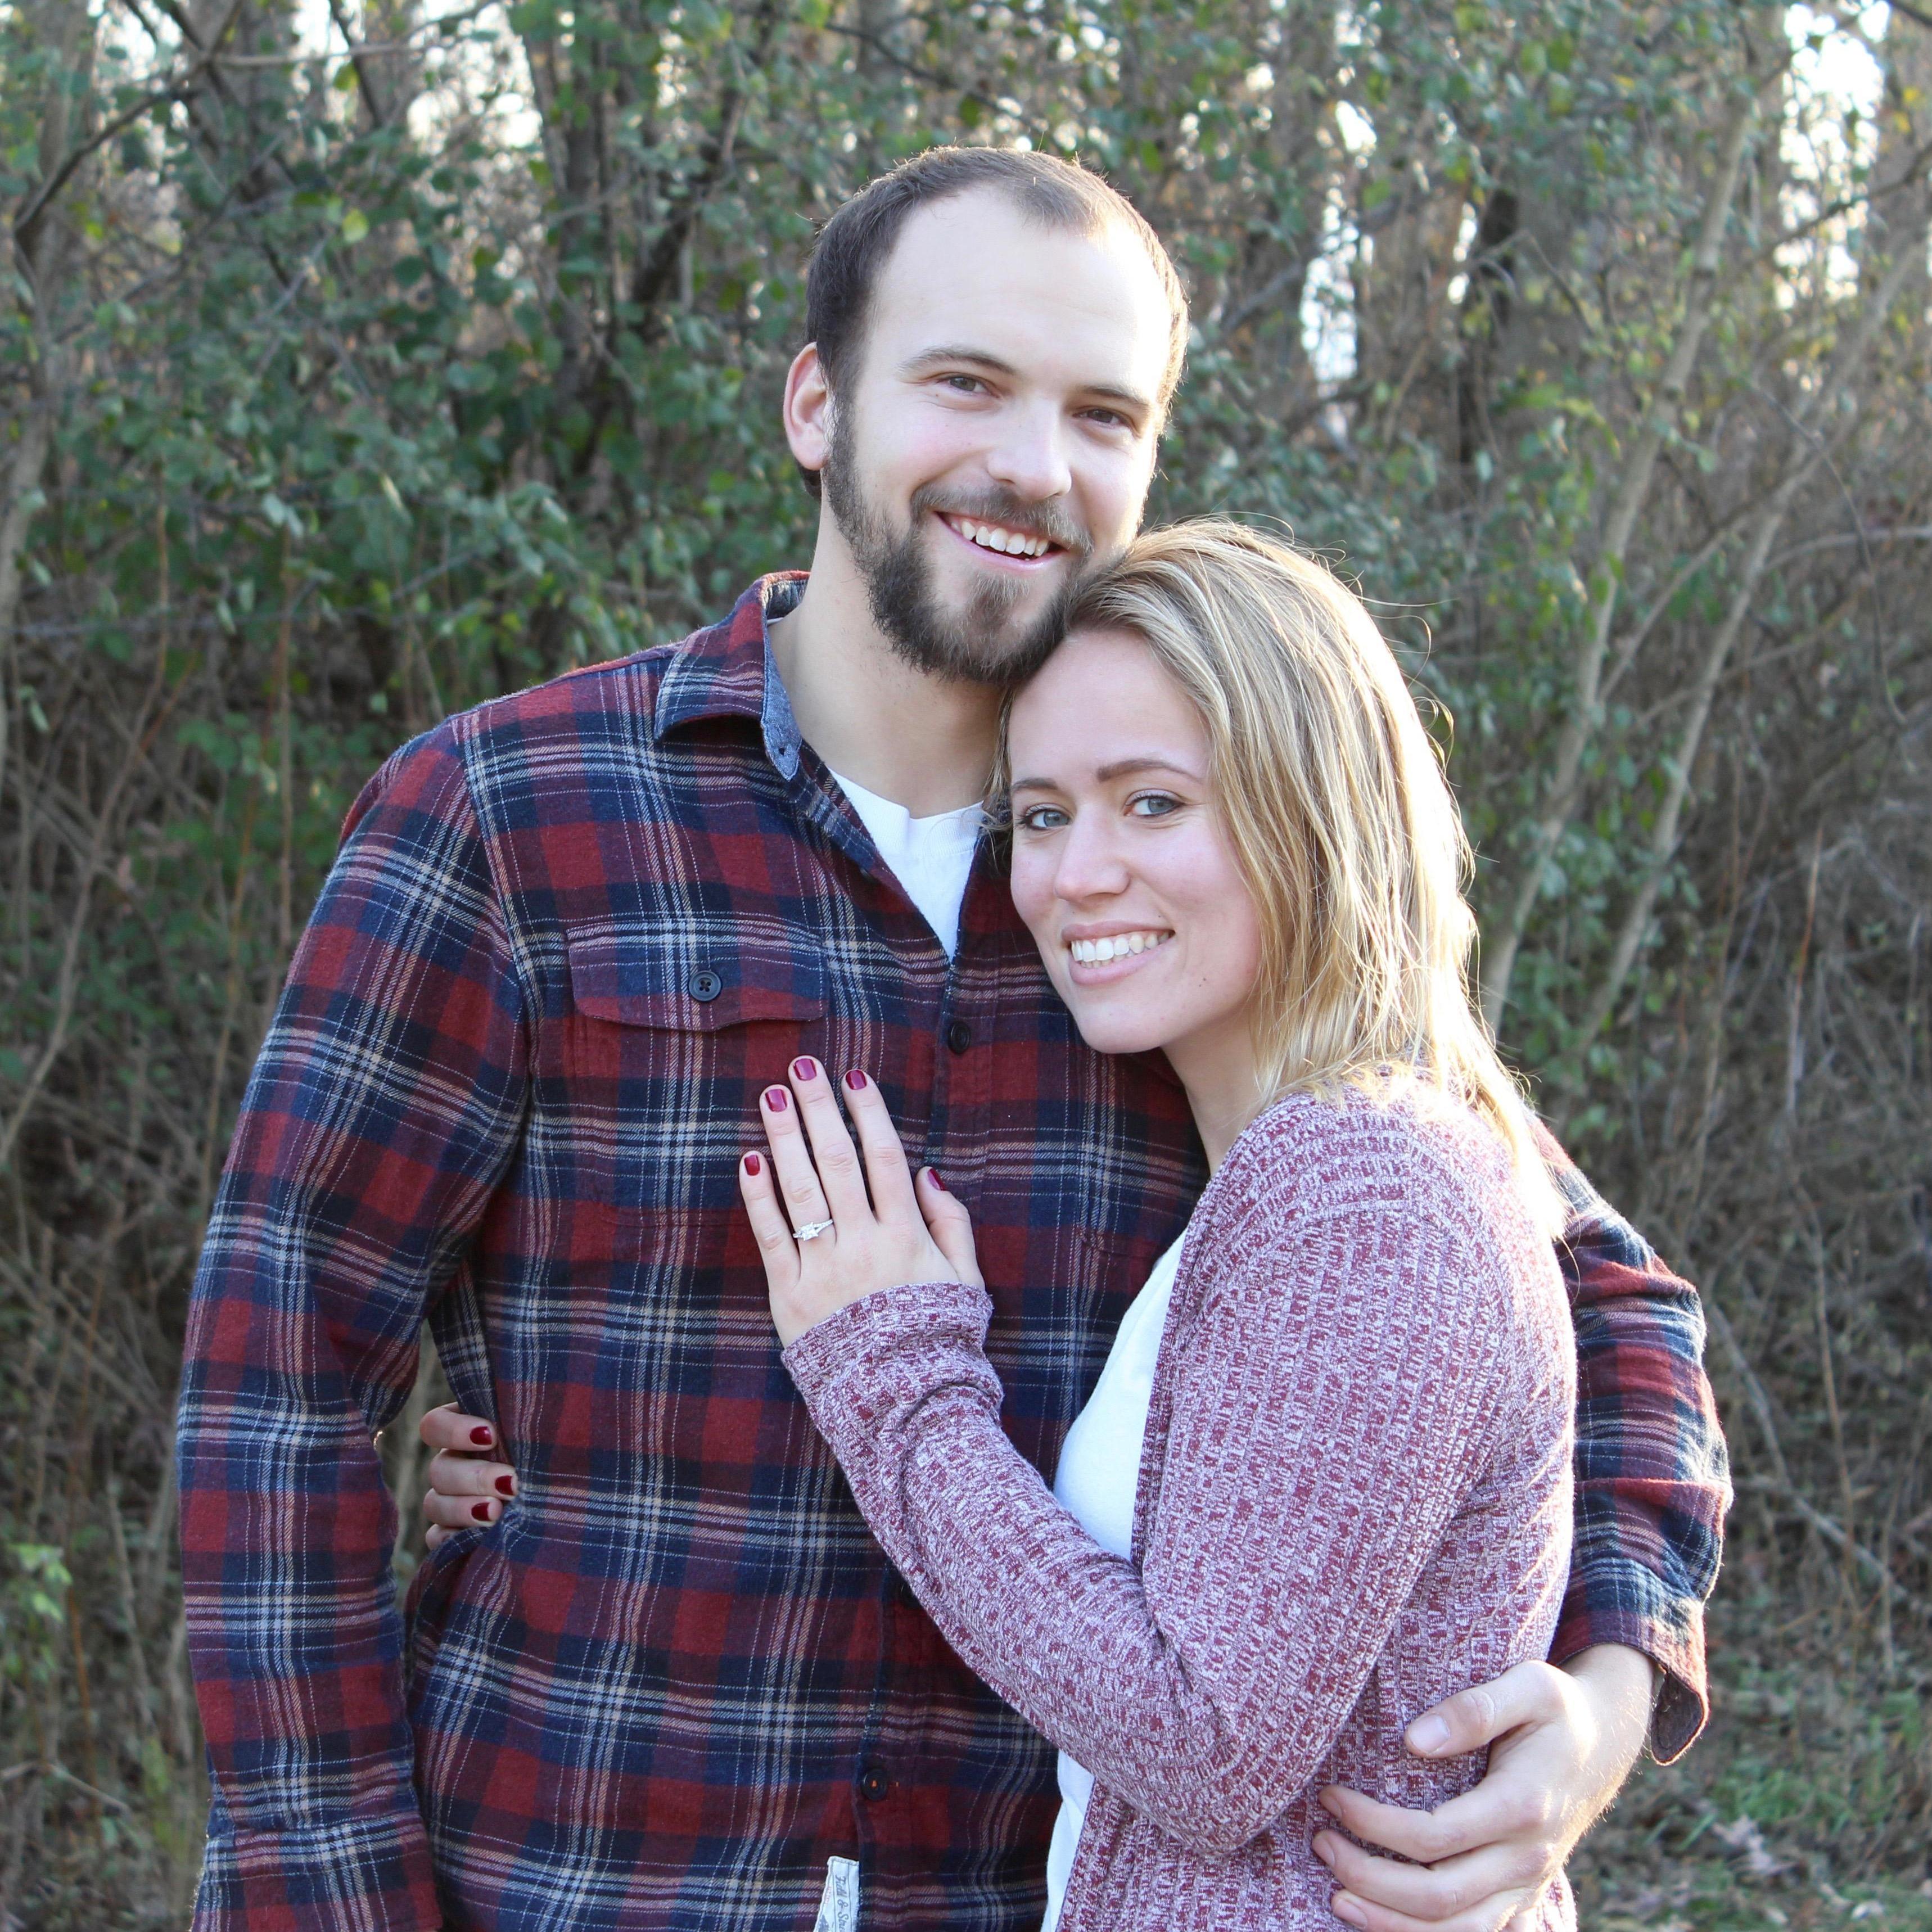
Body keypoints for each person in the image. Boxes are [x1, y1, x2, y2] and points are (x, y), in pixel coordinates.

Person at [178, 147, 1728, 1932]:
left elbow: (1593, 1301)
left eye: (1101, 413)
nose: (1034, 464)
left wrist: (1602, 1695)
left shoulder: (1179, 893)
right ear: (816, 403)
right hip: (578, 1877)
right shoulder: (511, 816)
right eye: (966, 381)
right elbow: (279, 1380)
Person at [738, 521, 1581, 1929]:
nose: (1073, 875)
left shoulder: (1363, 1187)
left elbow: (1206, 1743)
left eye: (1150, 802)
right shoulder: (1290, 1166)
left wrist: (896, 1379)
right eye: (1041, 814)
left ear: (1310, 810)